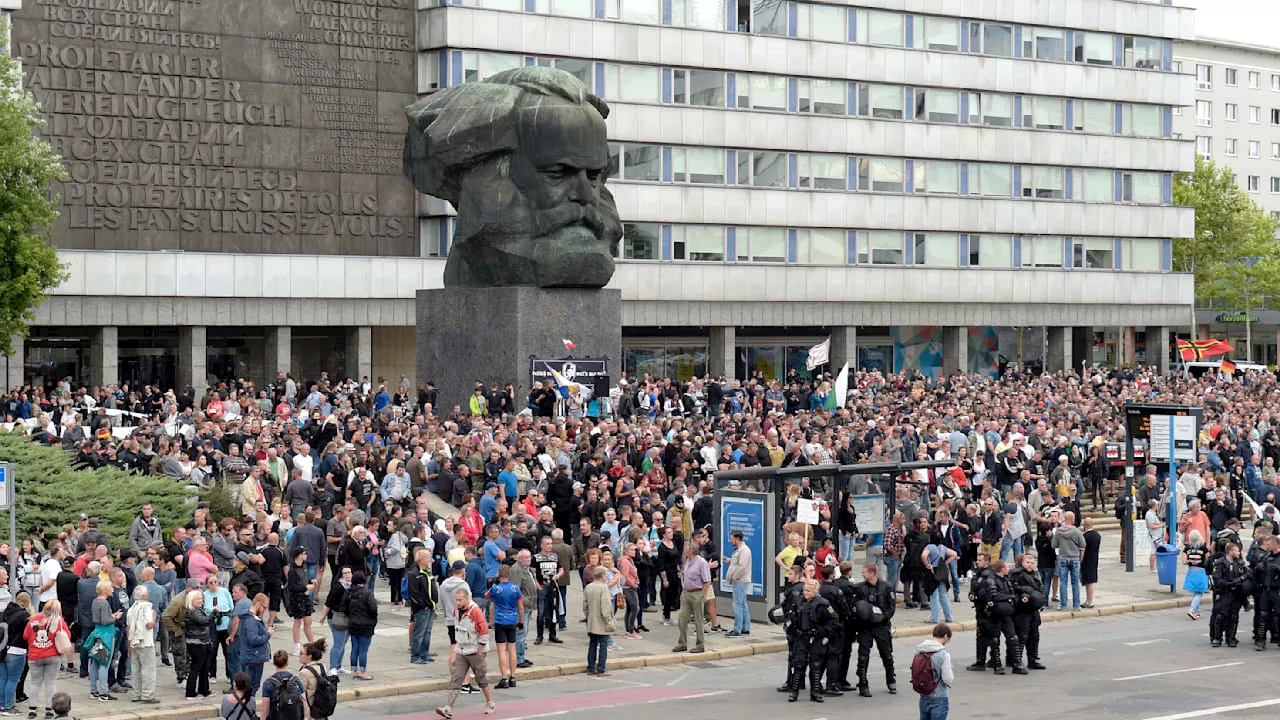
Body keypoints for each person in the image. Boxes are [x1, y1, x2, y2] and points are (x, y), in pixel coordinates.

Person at [435, 587, 496, 719]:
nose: (457, 603)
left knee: (481, 678)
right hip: (462, 650)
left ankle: (490, 703)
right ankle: (448, 707)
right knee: (456, 679)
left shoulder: (475, 612)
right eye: (456, 600)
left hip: (474, 650)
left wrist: (480, 649)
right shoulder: (457, 611)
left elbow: (484, 630)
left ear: (467, 599)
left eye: (460, 600)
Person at [787, 579, 838, 703]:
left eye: (808, 591)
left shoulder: (823, 604)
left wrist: (824, 633)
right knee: (798, 664)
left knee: (815, 665)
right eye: (804, 590)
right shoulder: (798, 601)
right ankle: (794, 692)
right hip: (801, 637)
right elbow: (791, 617)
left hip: (816, 638)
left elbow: (834, 620)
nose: (805, 593)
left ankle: (815, 692)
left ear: (815, 591)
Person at [854, 563, 896, 697]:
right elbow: (853, 603)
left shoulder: (887, 587)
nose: (862, 574)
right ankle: (863, 683)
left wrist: (884, 617)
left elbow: (892, 606)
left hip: (881, 625)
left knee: (886, 654)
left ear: (872, 573)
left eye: (865, 572)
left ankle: (891, 679)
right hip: (865, 626)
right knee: (863, 656)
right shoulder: (859, 588)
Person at [24, 598, 69, 719]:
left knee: (35, 683)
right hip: (53, 655)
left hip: (35, 655)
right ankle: (49, 710)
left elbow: (26, 635)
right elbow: (67, 636)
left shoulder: (34, 620)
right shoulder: (59, 621)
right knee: (50, 683)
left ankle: (32, 709)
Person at [485, 565, 522, 689]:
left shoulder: (496, 589)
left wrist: (494, 583)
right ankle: (513, 676)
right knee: (512, 649)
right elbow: (520, 606)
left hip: (500, 620)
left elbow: (487, 596)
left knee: (501, 650)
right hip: (512, 619)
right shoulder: (515, 588)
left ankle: (504, 678)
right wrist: (520, 620)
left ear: (499, 575)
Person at [981, 560, 1021, 675]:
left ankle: (1017, 663)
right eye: (1006, 567)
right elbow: (993, 596)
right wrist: (1009, 597)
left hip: (1007, 614)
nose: (1008, 569)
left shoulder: (1006, 581)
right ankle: (996, 664)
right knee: (994, 639)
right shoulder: (991, 580)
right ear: (1002, 569)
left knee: (1013, 638)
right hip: (995, 614)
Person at [1009, 554, 1046, 671]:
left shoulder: (1036, 574)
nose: (1030, 565)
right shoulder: (1016, 574)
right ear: (1022, 563)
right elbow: (1012, 588)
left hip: (1033, 609)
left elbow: (1040, 588)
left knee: (1034, 635)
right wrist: (1024, 591)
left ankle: (1033, 659)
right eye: (1027, 562)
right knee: (1022, 635)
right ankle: (1017, 661)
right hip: (1022, 610)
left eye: (1032, 562)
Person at [85, 582, 119, 701]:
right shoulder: (104, 603)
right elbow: (105, 621)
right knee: (104, 663)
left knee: (95, 663)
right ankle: (103, 693)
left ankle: (93, 691)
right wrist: (115, 617)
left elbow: (100, 618)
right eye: (110, 587)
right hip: (106, 635)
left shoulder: (96, 601)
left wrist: (111, 615)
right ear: (105, 590)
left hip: (97, 632)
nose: (112, 589)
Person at [672, 544, 710, 654]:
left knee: (698, 620)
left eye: (685, 549)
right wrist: (683, 591)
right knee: (682, 618)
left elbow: (707, 581)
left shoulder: (701, 562)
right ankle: (682, 643)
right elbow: (686, 577)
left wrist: (702, 595)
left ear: (691, 551)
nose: (683, 551)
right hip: (687, 593)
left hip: (697, 592)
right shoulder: (688, 560)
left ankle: (700, 645)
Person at [1210, 542, 1248, 647]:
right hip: (1224, 593)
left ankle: (1231, 638)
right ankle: (1217, 638)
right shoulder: (1220, 563)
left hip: (1236, 594)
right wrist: (1231, 583)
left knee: (1234, 616)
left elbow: (1246, 574)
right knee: (1220, 616)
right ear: (1230, 551)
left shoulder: (1239, 563)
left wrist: (1241, 579)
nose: (1239, 553)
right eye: (1236, 550)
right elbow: (1218, 580)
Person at [126, 586, 159, 704]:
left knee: (136, 670)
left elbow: (129, 628)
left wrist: (129, 644)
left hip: (134, 641)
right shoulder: (147, 608)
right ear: (144, 596)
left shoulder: (131, 609)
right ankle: (147, 695)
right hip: (146, 641)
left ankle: (136, 694)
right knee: (148, 669)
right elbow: (149, 625)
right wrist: (154, 617)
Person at [915, 624, 954, 720]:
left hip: (924, 695)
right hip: (939, 696)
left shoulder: (920, 651)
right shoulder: (944, 654)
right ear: (945, 636)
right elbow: (948, 679)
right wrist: (949, 670)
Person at [583, 566, 617, 677]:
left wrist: (588, 616)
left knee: (592, 644)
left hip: (592, 620)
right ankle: (601, 669)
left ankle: (591, 667)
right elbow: (605, 607)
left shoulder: (588, 587)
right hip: (601, 621)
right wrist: (609, 621)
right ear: (602, 576)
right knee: (603, 645)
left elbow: (585, 605)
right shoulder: (604, 588)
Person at [407, 549, 439, 665]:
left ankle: (424, 654)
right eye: (427, 557)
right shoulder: (414, 574)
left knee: (427, 632)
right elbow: (414, 593)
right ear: (421, 559)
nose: (430, 560)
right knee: (419, 632)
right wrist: (423, 605)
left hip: (430, 606)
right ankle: (415, 656)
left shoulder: (426, 571)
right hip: (423, 608)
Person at [965, 552, 996, 671]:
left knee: (983, 635)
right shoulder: (978, 573)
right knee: (987, 635)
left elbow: (984, 592)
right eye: (978, 560)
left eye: (980, 560)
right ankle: (991, 659)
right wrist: (972, 595)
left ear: (987, 562)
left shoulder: (987, 575)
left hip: (985, 609)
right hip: (981, 608)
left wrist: (976, 596)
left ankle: (981, 662)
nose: (977, 562)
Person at [319, 565, 352, 675]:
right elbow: (329, 602)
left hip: (347, 618)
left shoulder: (352, 586)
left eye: (349, 572)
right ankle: (333, 667)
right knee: (338, 643)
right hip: (336, 617)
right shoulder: (338, 587)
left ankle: (338, 666)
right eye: (345, 573)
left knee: (343, 643)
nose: (347, 575)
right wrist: (323, 616)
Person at [184, 589, 216, 701]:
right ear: (191, 600)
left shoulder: (198, 610)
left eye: (201, 598)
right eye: (197, 599)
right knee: (196, 667)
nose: (200, 601)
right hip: (196, 643)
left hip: (204, 642)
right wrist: (214, 613)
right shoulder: (193, 612)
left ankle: (204, 690)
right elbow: (204, 621)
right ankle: (190, 692)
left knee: (204, 668)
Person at [238, 593, 273, 695]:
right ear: (258, 604)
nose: (264, 611)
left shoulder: (249, 619)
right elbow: (253, 640)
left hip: (252, 656)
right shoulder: (251, 621)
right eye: (264, 607)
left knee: (250, 686)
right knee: (252, 686)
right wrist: (267, 634)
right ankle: (247, 707)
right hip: (253, 657)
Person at [1051, 511, 1086, 612]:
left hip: (1062, 558)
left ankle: (1063, 605)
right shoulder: (1076, 531)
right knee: (1075, 582)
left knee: (1063, 582)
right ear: (1073, 519)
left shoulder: (1058, 531)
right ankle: (1076, 605)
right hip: (1074, 558)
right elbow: (1082, 544)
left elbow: (1054, 545)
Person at [345, 573, 378, 681]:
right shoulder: (367, 593)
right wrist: (373, 620)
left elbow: (344, 607)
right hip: (366, 625)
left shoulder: (348, 592)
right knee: (363, 650)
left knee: (355, 648)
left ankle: (354, 671)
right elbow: (373, 609)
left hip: (353, 624)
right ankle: (363, 672)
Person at [532, 536, 562, 645]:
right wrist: (537, 585)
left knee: (553, 611)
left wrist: (558, 575)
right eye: (547, 544)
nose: (550, 546)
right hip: (542, 586)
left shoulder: (555, 557)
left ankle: (552, 634)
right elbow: (532, 572)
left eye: (551, 543)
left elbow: (561, 568)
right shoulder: (536, 558)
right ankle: (539, 636)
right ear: (542, 545)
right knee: (541, 613)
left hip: (553, 587)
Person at [723, 529, 752, 638]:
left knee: (737, 605)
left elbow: (742, 567)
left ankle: (737, 629)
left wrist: (734, 577)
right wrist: (729, 561)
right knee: (742, 604)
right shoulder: (739, 550)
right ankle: (745, 627)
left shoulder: (743, 550)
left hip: (740, 580)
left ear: (737, 538)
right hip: (741, 580)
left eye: (731, 538)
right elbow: (738, 564)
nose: (730, 541)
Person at [260, 649, 305, 720]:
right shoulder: (296, 680)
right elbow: (304, 702)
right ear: (287, 662)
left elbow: (265, 711)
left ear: (274, 663)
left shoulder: (268, 683)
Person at [285, 548, 315, 654]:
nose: (306, 555)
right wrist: (305, 586)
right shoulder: (292, 570)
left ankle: (312, 644)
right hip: (297, 598)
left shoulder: (304, 567)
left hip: (305, 597)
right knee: (298, 622)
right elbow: (292, 587)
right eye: (304, 553)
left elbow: (304, 580)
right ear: (298, 555)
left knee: (308, 622)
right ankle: (297, 646)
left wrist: (311, 582)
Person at [298, 639, 332, 720]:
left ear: (309, 657)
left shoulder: (305, 672)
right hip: (321, 709)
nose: (298, 655)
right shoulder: (322, 666)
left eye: (301, 653)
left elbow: (300, 693)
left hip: (311, 712)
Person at [1183, 530, 1211, 620]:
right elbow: (1207, 560)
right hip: (1201, 571)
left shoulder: (1187, 548)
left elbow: (1184, 561)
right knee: (1199, 592)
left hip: (1191, 571)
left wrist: (1190, 561)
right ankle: (1191, 610)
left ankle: (1197, 611)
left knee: (1196, 591)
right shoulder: (1203, 548)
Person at [1080, 517, 1102, 609]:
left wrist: (1080, 561)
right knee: (1090, 581)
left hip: (1086, 560)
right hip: (1094, 559)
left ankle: (1090, 601)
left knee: (1089, 582)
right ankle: (1088, 600)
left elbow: (1082, 551)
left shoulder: (1085, 537)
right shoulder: (1097, 535)